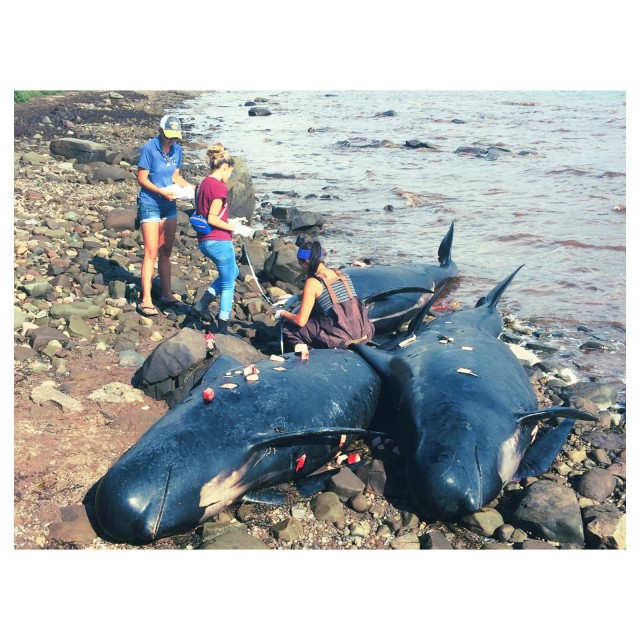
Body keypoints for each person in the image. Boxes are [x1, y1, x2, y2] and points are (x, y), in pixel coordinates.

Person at [136, 114, 194, 317]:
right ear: (160, 131)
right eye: (167, 136)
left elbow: (175, 176)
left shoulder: (177, 150)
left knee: (166, 250)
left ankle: (167, 294)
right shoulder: (149, 148)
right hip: (150, 203)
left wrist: (193, 189)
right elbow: (142, 178)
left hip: (169, 204)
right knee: (151, 251)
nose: (170, 141)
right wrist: (161, 192)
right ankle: (146, 299)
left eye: (174, 137)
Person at [275, 240, 375, 349]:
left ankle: (309, 353)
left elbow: (300, 321)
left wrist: (282, 313)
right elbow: (327, 294)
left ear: (307, 262)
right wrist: (296, 298)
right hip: (365, 333)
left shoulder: (312, 282)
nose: (301, 268)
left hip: (344, 341)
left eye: (301, 264)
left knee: (287, 327)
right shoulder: (339, 273)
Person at [191, 143, 239, 334]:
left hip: (204, 239)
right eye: (230, 172)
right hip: (218, 240)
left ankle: (203, 304)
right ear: (224, 166)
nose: (229, 177)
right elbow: (212, 218)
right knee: (229, 284)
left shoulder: (202, 183)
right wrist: (235, 227)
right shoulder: (219, 187)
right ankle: (223, 327)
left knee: (233, 271)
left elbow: (205, 212)